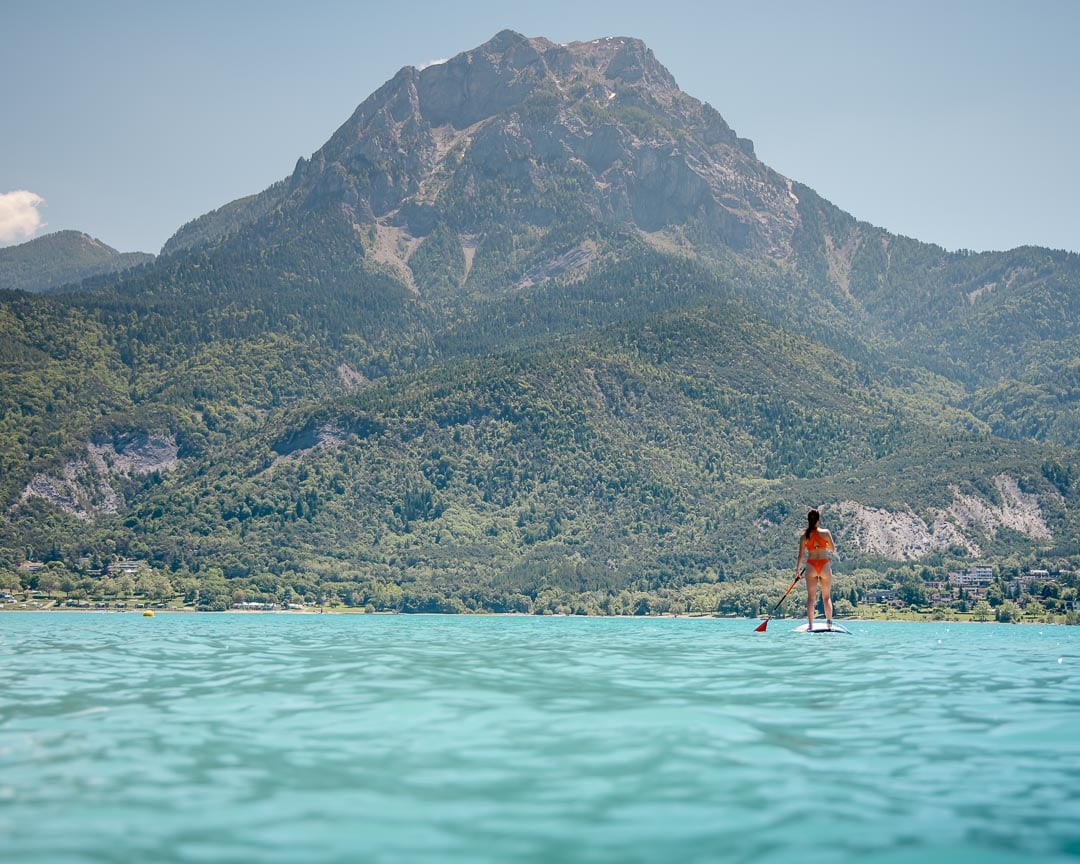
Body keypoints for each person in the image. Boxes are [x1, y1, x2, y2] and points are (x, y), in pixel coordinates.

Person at [797, 508, 835, 630]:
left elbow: (801, 555)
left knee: (811, 598)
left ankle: (810, 625)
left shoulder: (804, 536)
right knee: (826, 597)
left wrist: (798, 571)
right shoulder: (825, 533)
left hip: (811, 565)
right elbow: (833, 549)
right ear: (818, 521)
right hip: (824, 565)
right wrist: (825, 545)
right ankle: (829, 624)